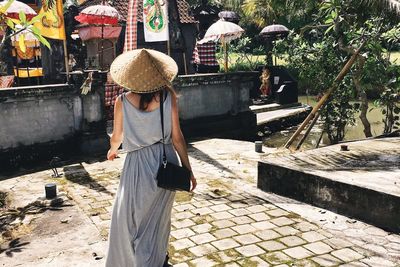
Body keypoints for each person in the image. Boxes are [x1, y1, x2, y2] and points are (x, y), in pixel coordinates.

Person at [105, 48, 197, 267]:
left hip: (137, 165)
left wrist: (112, 149)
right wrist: (188, 170)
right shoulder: (168, 96)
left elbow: (117, 137)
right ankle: (154, 258)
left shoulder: (122, 101)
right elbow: (177, 138)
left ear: (131, 76)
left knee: (129, 219)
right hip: (165, 161)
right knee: (158, 219)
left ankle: (134, 261)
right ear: (158, 74)